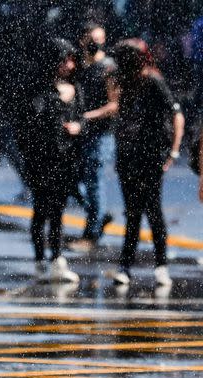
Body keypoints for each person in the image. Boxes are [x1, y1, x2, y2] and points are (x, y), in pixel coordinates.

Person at [112, 39, 184, 287]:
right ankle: (125, 266)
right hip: (127, 156)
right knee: (132, 213)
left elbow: (177, 114)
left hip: (151, 155)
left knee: (153, 211)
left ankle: (161, 265)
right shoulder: (123, 81)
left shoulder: (152, 81)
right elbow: (119, 115)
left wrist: (173, 152)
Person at [26, 39, 83, 283]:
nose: (69, 65)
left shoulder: (76, 88)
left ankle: (57, 258)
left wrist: (78, 127)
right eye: (64, 59)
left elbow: (83, 118)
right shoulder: (38, 89)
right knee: (41, 210)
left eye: (71, 59)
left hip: (67, 160)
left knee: (59, 210)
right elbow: (30, 123)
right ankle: (40, 259)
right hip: (42, 160)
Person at [70, 23, 118, 251]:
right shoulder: (80, 66)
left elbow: (114, 104)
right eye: (92, 39)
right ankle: (99, 214)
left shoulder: (108, 67)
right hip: (82, 134)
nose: (96, 44)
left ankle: (92, 234)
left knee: (94, 182)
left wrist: (86, 116)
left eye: (100, 39)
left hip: (101, 134)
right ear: (82, 41)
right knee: (73, 181)